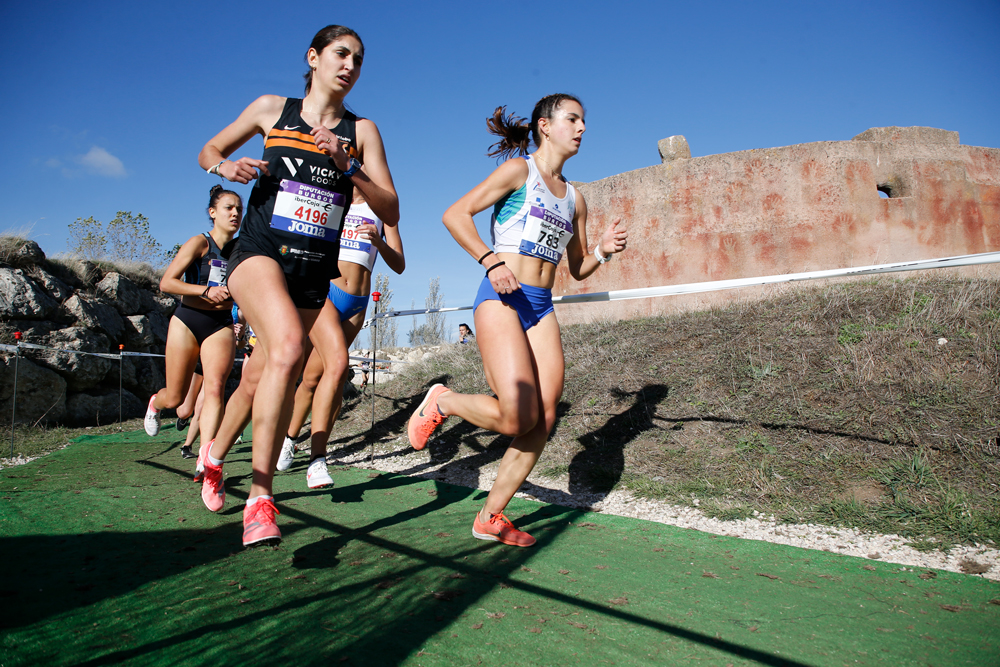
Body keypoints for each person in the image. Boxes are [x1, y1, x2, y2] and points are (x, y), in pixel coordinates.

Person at [197, 24, 399, 547]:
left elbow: (391, 208)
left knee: (256, 376)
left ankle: (214, 455)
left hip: (312, 271)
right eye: (340, 54)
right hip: (258, 253)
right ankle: (260, 499)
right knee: (288, 349)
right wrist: (225, 165)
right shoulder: (273, 109)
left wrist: (349, 165)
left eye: (358, 59)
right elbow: (209, 149)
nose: (350, 65)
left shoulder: (363, 131)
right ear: (313, 57)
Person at [408, 94, 627, 547]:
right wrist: (491, 261)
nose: (582, 128)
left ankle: (490, 516)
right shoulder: (518, 172)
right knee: (515, 417)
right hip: (502, 296)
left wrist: (602, 251)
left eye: (584, 121)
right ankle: (444, 402)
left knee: (542, 418)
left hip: (540, 305)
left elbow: (578, 267)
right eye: (572, 119)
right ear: (545, 126)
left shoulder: (576, 199)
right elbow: (455, 215)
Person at [277, 186, 405, 480]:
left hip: (357, 303)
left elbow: (399, 264)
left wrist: (379, 242)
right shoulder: (333, 201)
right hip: (327, 294)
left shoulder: (383, 212)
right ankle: (316, 459)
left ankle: (289, 438)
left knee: (314, 377)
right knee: (338, 365)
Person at [144, 186, 242, 466]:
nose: (235, 213)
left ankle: (205, 457)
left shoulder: (242, 249)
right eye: (228, 208)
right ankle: (155, 403)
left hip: (220, 324)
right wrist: (206, 291)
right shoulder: (200, 243)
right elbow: (167, 283)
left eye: (239, 209)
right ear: (213, 212)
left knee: (215, 389)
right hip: (188, 320)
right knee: (175, 400)